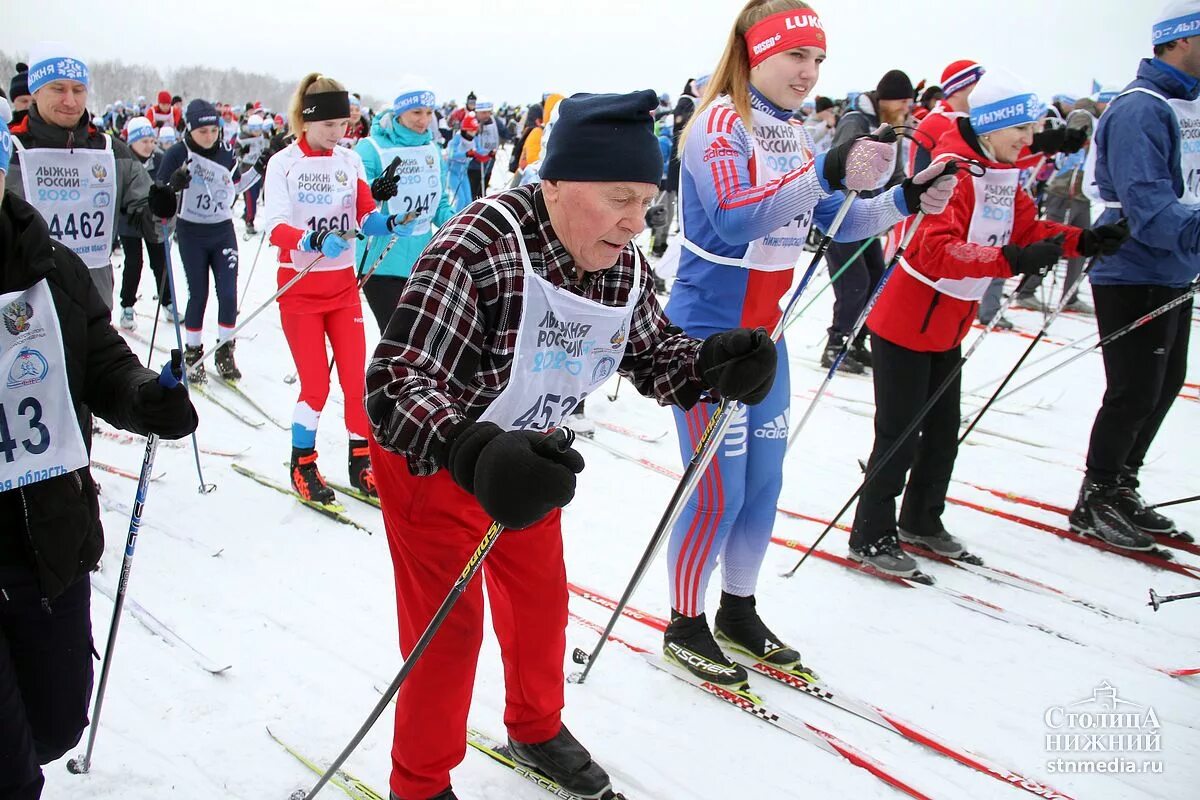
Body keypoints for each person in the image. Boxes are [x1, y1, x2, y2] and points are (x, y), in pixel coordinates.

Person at [365, 88, 779, 800]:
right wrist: (472, 451)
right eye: (619, 196)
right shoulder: (481, 245)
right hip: (439, 462)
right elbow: (397, 381)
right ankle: (421, 783)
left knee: (540, 604)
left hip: (531, 463)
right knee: (448, 637)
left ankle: (535, 727)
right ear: (554, 184)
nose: (635, 221)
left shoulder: (620, 264)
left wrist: (714, 364)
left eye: (647, 201)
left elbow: (655, 355)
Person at [662, 0, 955, 690]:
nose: (809, 70)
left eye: (818, 58)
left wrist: (906, 198)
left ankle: (738, 609)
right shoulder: (718, 125)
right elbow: (738, 222)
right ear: (755, 52)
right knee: (717, 494)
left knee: (764, 486)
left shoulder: (790, 132)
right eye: (797, 55)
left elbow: (837, 222)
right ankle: (683, 620)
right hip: (708, 338)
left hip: (768, 338)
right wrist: (826, 169)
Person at [850, 70, 1128, 576]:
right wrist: (1011, 260)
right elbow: (936, 249)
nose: (1029, 140)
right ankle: (870, 534)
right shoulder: (954, 172)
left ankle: (921, 520)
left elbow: (1027, 228)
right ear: (996, 126)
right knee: (899, 433)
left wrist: (1080, 241)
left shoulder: (1001, 172)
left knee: (941, 431)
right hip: (907, 318)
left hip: (949, 322)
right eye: (1022, 129)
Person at [0, 126, 199, 800]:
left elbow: (103, 361)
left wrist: (148, 398)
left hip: (47, 534)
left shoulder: (49, 265)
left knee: (55, 723)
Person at [1068, 0, 1200, 549]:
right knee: (1133, 389)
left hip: (1175, 266)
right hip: (1134, 267)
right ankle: (1096, 495)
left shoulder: (1184, 104)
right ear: (1182, 40)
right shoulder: (1141, 108)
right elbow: (1148, 203)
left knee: (1164, 385)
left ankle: (1121, 483)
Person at [262, 72, 404, 504]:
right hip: (301, 289)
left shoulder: (349, 161)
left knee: (356, 383)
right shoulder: (284, 163)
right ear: (306, 122)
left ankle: (361, 461)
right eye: (330, 126)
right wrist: (310, 240)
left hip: (342, 288)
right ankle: (302, 463)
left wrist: (393, 221)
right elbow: (275, 228)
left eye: (344, 125)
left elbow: (364, 216)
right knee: (315, 388)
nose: (339, 134)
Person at [6, 43, 163, 311]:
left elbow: (150, 221)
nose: (71, 101)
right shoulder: (11, 151)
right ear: (36, 91)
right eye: (58, 89)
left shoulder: (110, 150)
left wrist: (160, 207)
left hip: (94, 306)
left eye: (78, 90)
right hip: (27, 313)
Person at [152, 99, 265, 382]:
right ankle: (193, 351)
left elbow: (236, 184)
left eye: (214, 131)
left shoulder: (227, 151)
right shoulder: (178, 152)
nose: (209, 137)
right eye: (202, 132)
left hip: (222, 229)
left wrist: (259, 169)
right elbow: (157, 194)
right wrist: (172, 186)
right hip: (192, 232)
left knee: (228, 294)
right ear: (189, 130)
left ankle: (225, 350)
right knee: (198, 293)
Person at [819, 67, 914, 374]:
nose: (906, 109)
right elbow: (840, 162)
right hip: (843, 215)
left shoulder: (893, 126)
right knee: (854, 281)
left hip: (869, 217)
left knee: (875, 277)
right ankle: (836, 343)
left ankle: (856, 340)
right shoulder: (856, 121)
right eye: (902, 102)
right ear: (886, 99)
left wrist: (908, 196)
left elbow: (896, 173)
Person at [354, 84, 455, 330]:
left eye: (429, 113)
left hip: (422, 259)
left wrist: (461, 223)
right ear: (399, 112)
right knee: (395, 335)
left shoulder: (432, 149)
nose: (424, 120)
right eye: (416, 113)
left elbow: (439, 204)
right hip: (382, 260)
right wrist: (375, 189)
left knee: (417, 337)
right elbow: (354, 198)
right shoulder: (371, 148)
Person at [1012, 98, 1101, 315]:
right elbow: (1070, 151)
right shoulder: (1084, 116)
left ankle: (1070, 296)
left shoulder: (1098, 120)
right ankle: (1027, 290)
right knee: (1050, 243)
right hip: (1065, 190)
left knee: (1080, 243)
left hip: (1081, 194)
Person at [117, 116, 174, 329]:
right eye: (144, 142)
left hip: (153, 220)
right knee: (134, 262)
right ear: (131, 142)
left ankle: (167, 301)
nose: (149, 146)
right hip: (130, 220)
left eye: (152, 141)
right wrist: (125, 208)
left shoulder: (158, 160)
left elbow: (166, 186)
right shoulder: (124, 161)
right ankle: (127, 306)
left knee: (160, 261)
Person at [908, 59, 985, 175]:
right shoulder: (941, 122)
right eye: (979, 86)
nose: (985, 92)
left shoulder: (953, 118)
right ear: (958, 89)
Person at [237, 113, 269, 235]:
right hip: (247, 169)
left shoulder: (264, 136)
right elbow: (236, 152)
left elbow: (267, 147)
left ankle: (247, 213)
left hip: (260, 169)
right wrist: (242, 152)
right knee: (251, 196)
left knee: (255, 197)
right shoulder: (243, 137)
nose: (257, 132)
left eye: (259, 128)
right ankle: (249, 221)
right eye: (254, 129)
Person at [444, 113, 479, 213]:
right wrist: (465, 154)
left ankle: (466, 221)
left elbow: (479, 151)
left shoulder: (474, 139)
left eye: (475, 129)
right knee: (461, 199)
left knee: (469, 200)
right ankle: (454, 220)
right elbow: (451, 154)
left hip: (463, 173)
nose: (474, 132)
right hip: (453, 173)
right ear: (466, 129)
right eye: (472, 129)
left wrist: (489, 154)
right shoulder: (457, 138)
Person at [468, 100, 499, 199]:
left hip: (488, 163)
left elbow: (504, 132)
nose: (487, 115)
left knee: (482, 191)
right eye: (483, 112)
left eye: (488, 112)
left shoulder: (494, 121)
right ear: (477, 112)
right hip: (474, 165)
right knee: (473, 192)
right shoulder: (471, 121)